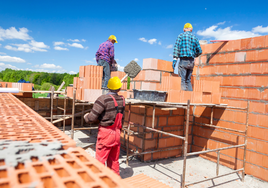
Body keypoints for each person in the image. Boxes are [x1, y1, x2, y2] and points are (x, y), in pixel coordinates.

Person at [84, 76, 125, 175]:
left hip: (106, 134)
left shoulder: (103, 99)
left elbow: (91, 118)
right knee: (114, 160)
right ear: (119, 88)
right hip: (117, 133)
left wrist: (86, 116)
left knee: (100, 161)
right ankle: (115, 182)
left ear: (108, 87)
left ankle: (99, 182)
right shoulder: (122, 100)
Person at [173, 23, 202, 91]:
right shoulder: (195, 38)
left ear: (184, 29)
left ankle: (183, 99)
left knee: (182, 80)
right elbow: (200, 51)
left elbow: (177, 47)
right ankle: (190, 99)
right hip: (191, 62)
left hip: (183, 60)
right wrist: (194, 55)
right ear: (191, 29)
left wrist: (175, 59)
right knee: (188, 81)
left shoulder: (181, 36)